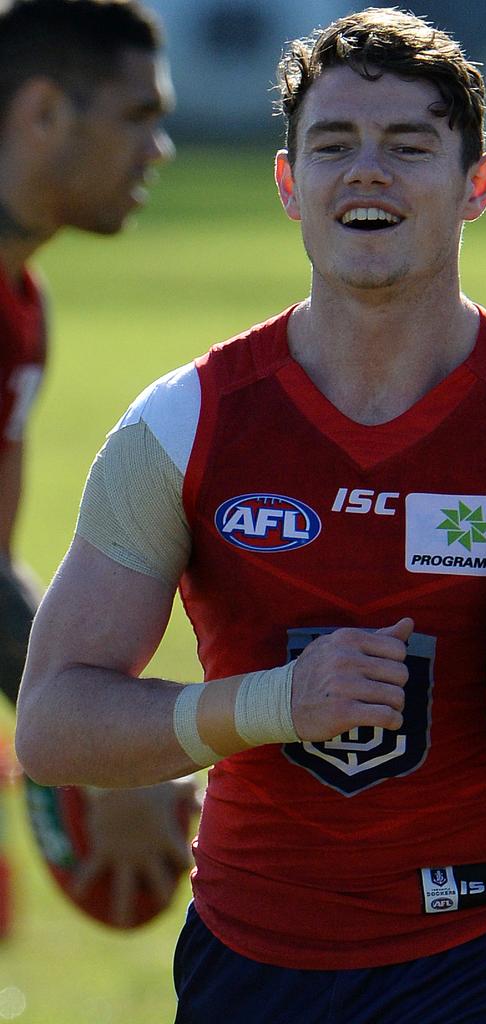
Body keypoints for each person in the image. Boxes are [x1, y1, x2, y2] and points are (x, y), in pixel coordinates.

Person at [15, 7, 486, 1020]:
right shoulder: (185, 425)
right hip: (250, 956)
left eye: (409, 146)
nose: (368, 173)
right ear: (287, 182)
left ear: (475, 184)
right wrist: (273, 703)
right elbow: (50, 724)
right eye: (334, 146)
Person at [1, 0, 194, 926]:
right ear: (42, 114)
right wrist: (103, 739)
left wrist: (92, 730)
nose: (159, 149)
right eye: (136, 116)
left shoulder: (21, 310)